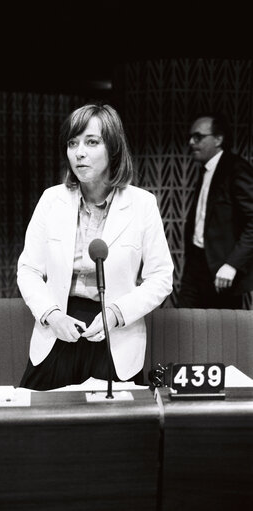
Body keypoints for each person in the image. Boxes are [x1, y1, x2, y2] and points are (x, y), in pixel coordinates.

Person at [17, 103, 174, 390]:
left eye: (92, 142)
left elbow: (161, 278)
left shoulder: (142, 204)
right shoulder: (51, 200)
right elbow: (27, 270)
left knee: (113, 431)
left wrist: (115, 313)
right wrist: (52, 315)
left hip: (115, 332)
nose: (79, 153)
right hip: (58, 327)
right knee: (40, 428)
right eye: (72, 143)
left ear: (113, 149)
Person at [178, 112, 253, 309]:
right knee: (185, 322)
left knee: (222, 332)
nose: (191, 142)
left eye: (198, 137)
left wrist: (232, 265)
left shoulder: (236, 168)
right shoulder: (205, 169)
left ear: (218, 139)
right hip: (196, 265)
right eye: (190, 137)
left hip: (223, 271)